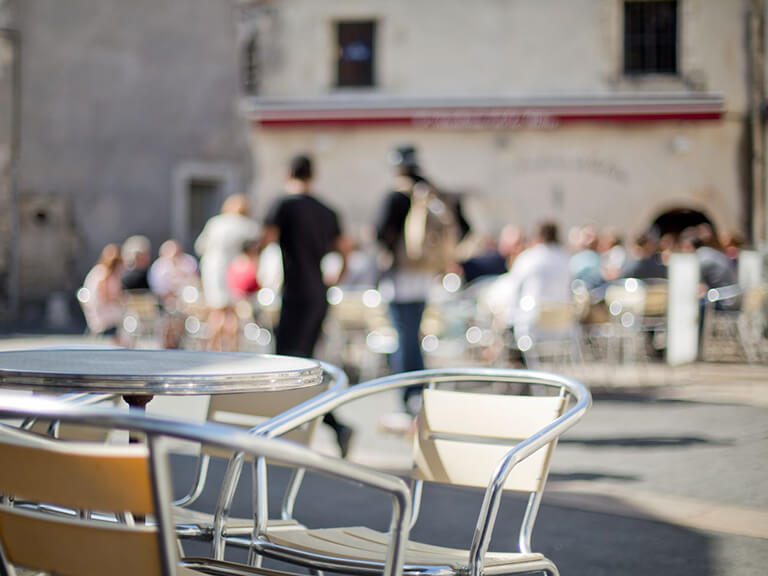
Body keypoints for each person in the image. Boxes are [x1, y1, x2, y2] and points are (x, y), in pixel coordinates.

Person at [262, 154, 354, 457]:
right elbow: (345, 250)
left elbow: (263, 241)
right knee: (304, 365)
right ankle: (322, 425)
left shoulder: (285, 205)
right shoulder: (327, 211)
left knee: (288, 365)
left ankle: (302, 428)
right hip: (318, 295)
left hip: (296, 294)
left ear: (288, 172)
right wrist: (334, 279)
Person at [376, 145, 468, 414]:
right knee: (414, 333)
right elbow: (463, 227)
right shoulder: (432, 192)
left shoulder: (397, 195)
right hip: (425, 273)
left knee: (403, 336)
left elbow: (382, 233)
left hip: (401, 272)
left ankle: (409, 394)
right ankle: (418, 390)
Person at [195, 194, 260, 351]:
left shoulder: (215, 223)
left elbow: (200, 247)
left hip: (212, 269)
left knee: (216, 312)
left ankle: (214, 348)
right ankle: (231, 348)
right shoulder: (248, 226)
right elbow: (255, 248)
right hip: (233, 271)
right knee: (231, 313)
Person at [81, 243, 124, 338]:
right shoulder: (103, 275)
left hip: (95, 311)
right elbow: (105, 298)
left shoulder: (98, 271)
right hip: (101, 313)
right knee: (128, 316)